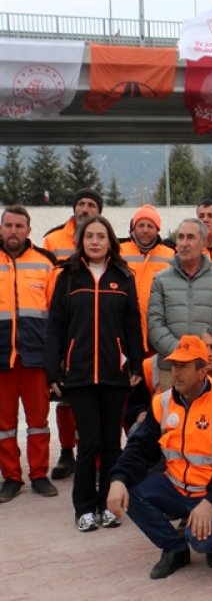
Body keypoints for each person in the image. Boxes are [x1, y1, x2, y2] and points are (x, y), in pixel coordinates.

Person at [105, 335, 212, 578]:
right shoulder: (162, 403)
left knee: (204, 542)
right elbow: (138, 448)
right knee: (129, 488)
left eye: (184, 366)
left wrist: (210, 502)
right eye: (174, 365)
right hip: (176, 488)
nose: (176, 373)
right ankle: (175, 549)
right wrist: (118, 480)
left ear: (202, 370)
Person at [45, 215, 145, 532]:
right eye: (89, 236)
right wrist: (53, 371)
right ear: (81, 241)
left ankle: (110, 506)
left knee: (111, 442)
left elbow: (132, 326)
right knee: (88, 443)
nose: (95, 242)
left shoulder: (123, 277)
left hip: (115, 374)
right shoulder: (68, 278)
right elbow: (55, 328)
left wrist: (136, 365)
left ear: (111, 242)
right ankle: (85, 508)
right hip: (80, 375)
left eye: (101, 236)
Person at [0, 206, 59, 501]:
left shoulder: (45, 263)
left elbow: (57, 314)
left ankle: (39, 475)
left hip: (36, 357)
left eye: (19, 226)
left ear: (28, 230)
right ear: (1, 228)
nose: (13, 231)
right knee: (3, 426)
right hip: (1, 359)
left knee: (38, 422)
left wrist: (55, 358)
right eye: (8, 225)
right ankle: (11, 477)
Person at [42, 188, 102, 478]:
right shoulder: (53, 240)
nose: (85, 209)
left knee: (92, 397)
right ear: (74, 208)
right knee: (65, 397)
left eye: (91, 205)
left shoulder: (103, 238)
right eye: (81, 204)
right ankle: (67, 452)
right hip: (65, 325)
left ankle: (87, 450)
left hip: (93, 328)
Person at [148, 218, 212, 382]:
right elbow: (155, 325)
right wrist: (184, 352)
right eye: (180, 237)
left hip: (208, 367)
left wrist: (204, 352)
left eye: (190, 237)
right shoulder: (160, 280)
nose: (184, 243)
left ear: (203, 243)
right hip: (172, 368)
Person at [119, 204, 174, 352]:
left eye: (150, 225)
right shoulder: (119, 252)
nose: (145, 230)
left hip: (158, 328)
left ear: (157, 229)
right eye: (141, 225)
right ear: (134, 228)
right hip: (125, 326)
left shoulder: (170, 255)